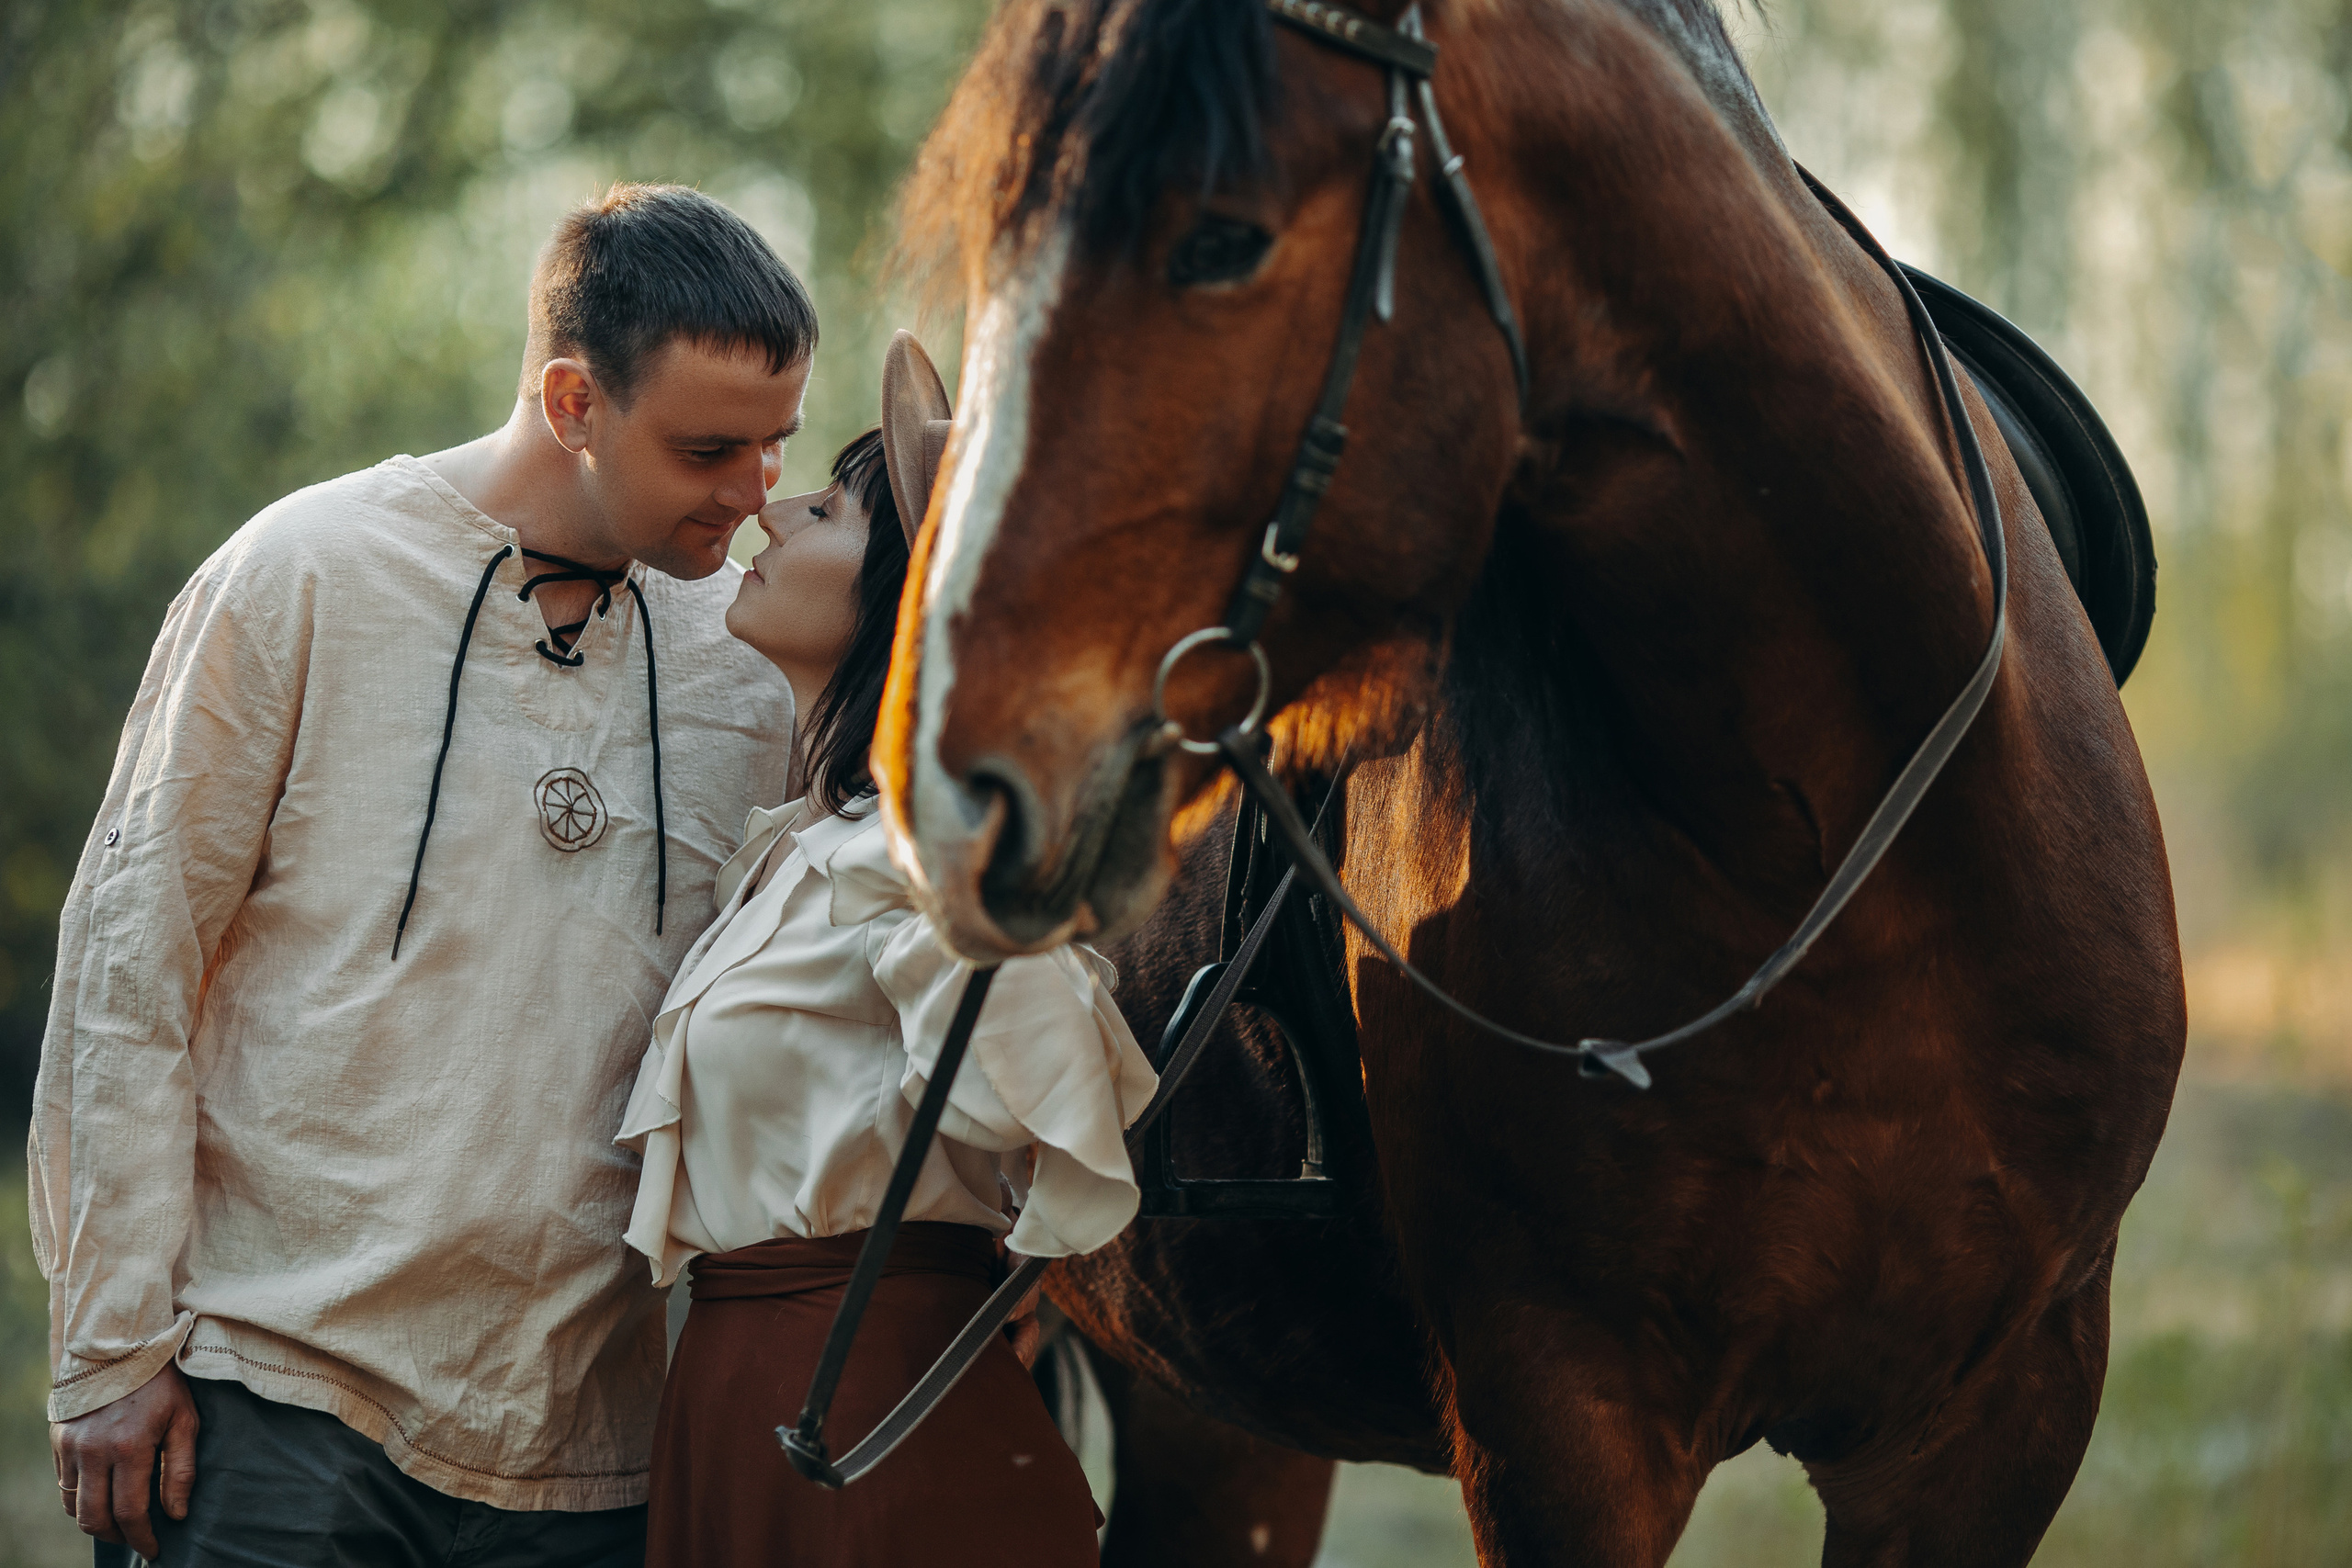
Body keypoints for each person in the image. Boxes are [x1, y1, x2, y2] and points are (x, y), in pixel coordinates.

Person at [35, 183, 808, 1564]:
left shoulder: (750, 658)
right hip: (274, 1399)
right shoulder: (299, 572)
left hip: (600, 1447)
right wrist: (109, 1349)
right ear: (575, 403)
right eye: (708, 451)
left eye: (774, 448)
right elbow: (126, 969)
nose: (752, 499)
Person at [616, 332, 1155, 1565]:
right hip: (737, 1402)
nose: (775, 509)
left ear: (906, 604)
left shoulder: (914, 864)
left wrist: (953, 880)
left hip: (870, 1422)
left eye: (828, 507)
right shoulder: (793, 854)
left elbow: (1048, 1123)